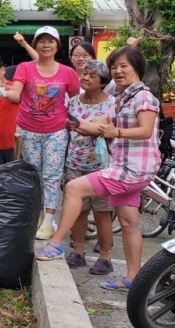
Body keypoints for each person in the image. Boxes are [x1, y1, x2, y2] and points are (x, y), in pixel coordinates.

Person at [36, 46, 159, 293]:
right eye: (114, 67)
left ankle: (56, 243)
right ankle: (133, 278)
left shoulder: (143, 96)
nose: (118, 71)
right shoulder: (122, 98)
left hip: (132, 169)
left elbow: (145, 130)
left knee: (73, 188)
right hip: (127, 167)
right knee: (128, 222)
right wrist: (76, 124)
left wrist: (117, 132)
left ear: (137, 68)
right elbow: (99, 127)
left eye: (124, 66)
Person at [1, 26, 80, 240]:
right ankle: (35, 215)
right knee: (33, 174)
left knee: (52, 175)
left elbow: (77, 101)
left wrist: (76, 122)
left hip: (56, 130)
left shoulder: (68, 72)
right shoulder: (25, 67)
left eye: (51, 41)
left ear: (57, 45)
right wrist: (0, 90)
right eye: (42, 41)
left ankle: (48, 221)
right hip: (28, 130)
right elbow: (16, 94)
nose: (46, 45)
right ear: (35, 45)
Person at [61, 60, 116, 275]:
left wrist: (83, 127)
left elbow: (107, 131)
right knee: (79, 211)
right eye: (84, 73)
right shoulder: (73, 101)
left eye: (92, 75)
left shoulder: (112, 103)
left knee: (102, 212)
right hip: (75, 162)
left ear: (103, 82)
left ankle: (105, 257)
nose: (85, 78)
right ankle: (78, 252)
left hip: (101, 166)